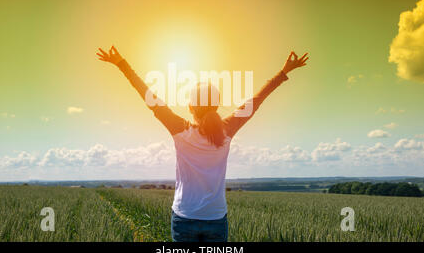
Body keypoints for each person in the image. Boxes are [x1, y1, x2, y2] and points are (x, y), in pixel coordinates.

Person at [96, 46, 308, 242]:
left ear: (190, 106)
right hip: (215, 217)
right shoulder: (227, 130)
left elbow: (148, 96)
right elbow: (257, 100)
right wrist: (284, 72)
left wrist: (122, 64)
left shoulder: (179, 130)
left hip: (184, 216)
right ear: (216, 105)